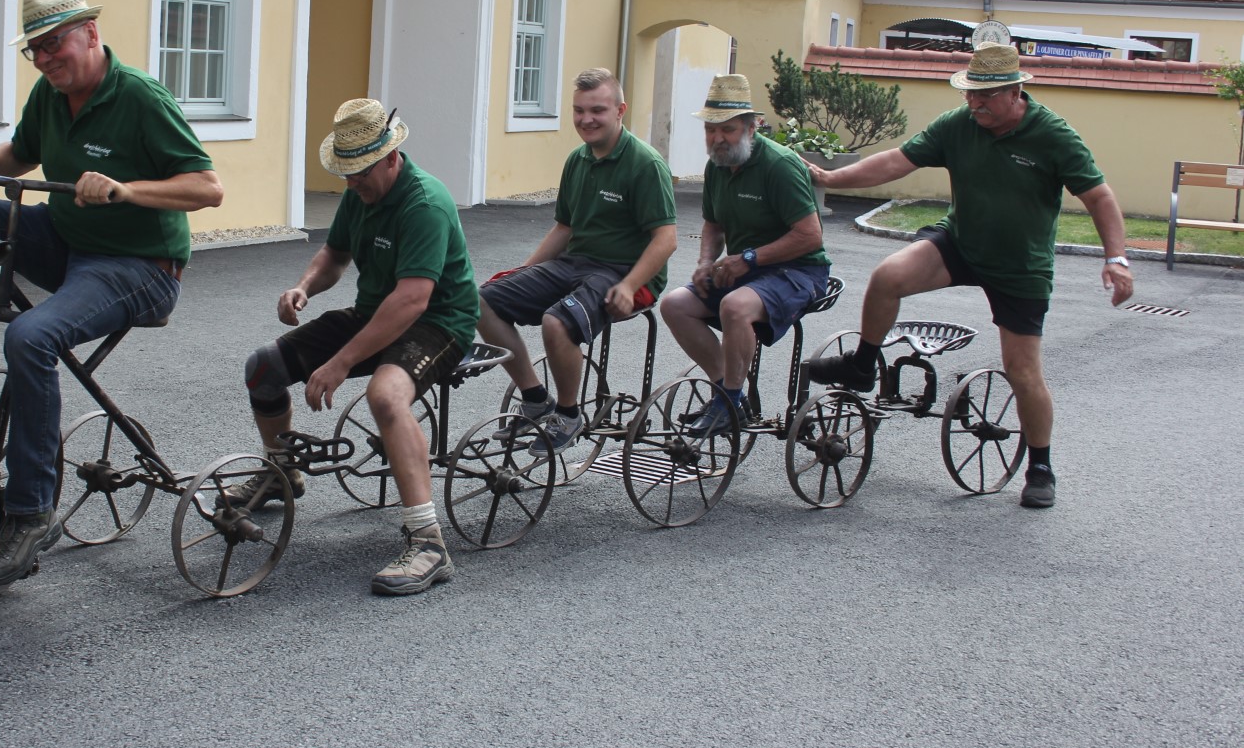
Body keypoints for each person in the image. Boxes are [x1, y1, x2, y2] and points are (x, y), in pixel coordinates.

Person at [0, 0, 223, 586]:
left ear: (91, 34)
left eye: (56, 44)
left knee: (31, 336)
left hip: (140, 266)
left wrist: (126, 189)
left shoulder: (141, 99)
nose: (47, 59)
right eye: (37, 50)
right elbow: (18, 157)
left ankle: (29, 512)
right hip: (73, 243)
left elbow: (207, 188)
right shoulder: (51, 96)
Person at [803, 42, 1134, 509]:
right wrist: (832, 179)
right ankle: (862, 364)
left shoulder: (1054, 136)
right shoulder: (959, 125)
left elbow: (1099, 197)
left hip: (1020, 267)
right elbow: (899, 160)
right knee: (887, 275)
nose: (974, 104)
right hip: (960, 244)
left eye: (985, 96)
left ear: (1016, 91)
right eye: (969, 95)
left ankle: (1040, 466)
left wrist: (1116, 259)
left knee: (1023, 371)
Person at [237, 99, 479, 596]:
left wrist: (340, 363)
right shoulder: (360, 192)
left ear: (392, 157)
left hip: (439, 322)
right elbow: (334, 254)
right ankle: (281, 472)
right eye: (345, 173)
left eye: (360, 172)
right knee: (263, 366)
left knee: (386, 396)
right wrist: (305, 286)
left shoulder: (425, 204)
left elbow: (412, 300)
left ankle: (429, 543)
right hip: (378, 313)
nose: (352, 182)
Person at [478, 68, 677, 456]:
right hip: (575, 262)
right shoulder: (577, 160)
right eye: (579, 110)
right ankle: (536, 399)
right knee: (480, 300)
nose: (586, 119)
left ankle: (568, 415)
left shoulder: (645, 164)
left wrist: (629, 285)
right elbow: (564, 228)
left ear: (620, 110)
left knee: (557, 321)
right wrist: (526, 269)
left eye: (597, 110)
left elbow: (665, 241)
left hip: (625, 273)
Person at [658, 74, 829, 435]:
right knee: (674, 305)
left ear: (752, 128)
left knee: (734, 306)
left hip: (797, 272)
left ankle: (729, 400)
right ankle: (729, 394)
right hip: (746, 271)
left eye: (728, 130)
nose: (717, 139)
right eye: (710, 130)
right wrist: (705, 262)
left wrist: (748, 259)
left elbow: (811, 236)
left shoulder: (780, 166)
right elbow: (713, 224)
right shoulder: (717, 166)